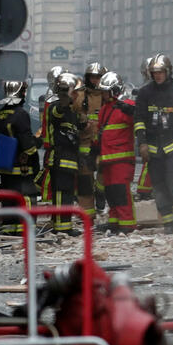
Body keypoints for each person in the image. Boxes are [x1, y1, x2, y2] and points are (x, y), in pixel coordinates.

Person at [133, 53, 173, 233]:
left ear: (168, 72)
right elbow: (139, 119)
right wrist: (142, 143)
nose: (158, 76)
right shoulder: (145, 93)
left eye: (161, 72)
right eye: (154, 73)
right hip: (153, 146)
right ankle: (168, 223)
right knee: (159, 186)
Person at [0, 81, 43, 232]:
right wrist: (37, 143)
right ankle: (26, 228)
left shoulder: (0, 113)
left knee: (8, 197)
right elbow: (27, 143)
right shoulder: (21, 114)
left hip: (5, 166)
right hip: (21, 166)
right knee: (27, 195)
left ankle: (10, 228)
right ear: (20, 93)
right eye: (24, 91)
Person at [96, 72, 137, 233]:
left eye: (106, 91)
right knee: (111, 193)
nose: (104, 95)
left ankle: (127, 224)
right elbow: (101, 132)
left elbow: (139, 117)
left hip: (121, 160)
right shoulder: (105, 109)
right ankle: (114, 222)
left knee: (121, 192)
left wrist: (130, 110)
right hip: (108, 160)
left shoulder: (125, 106)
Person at [48, 73, 87, 235]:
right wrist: (65, 96)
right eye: (75, 92)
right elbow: (57, 113)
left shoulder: (72, 111)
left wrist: (83, 120)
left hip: (70, 158)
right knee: (60, 194)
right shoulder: (56, 107)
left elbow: (79, 128)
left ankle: (65, 225)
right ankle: (60, 228)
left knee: (68, 194)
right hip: (59, 157)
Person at [77, 62, 107, 219]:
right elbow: (73, 115)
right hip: (85, 143)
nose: (95, 80)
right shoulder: (80, 96)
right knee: (84, 181)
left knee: (104, 169)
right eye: (92, 77)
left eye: (98, 77)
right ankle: (87, 215)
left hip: (103, 142)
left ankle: (101, 191)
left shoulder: (107, 95)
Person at [35, 65, 64, 205]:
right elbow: (44, 121)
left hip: (55, 142)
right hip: (52, 142)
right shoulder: (50, 98)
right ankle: (46, 198)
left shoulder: (56, 98)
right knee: (49, 170)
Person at [135, 57, 155, 201]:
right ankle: (145, 190)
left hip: (161, 131)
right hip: (151, 131)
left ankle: (147, 190)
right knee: (150, 161)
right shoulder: (145, 90)